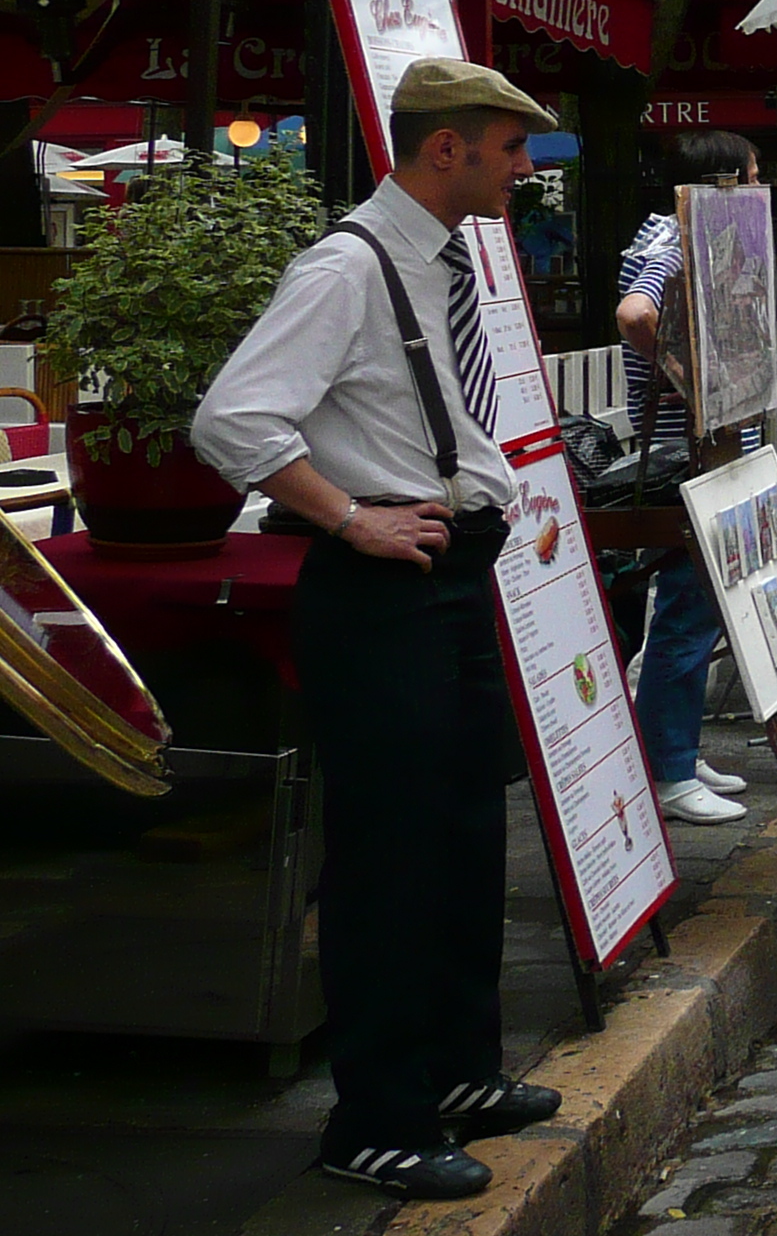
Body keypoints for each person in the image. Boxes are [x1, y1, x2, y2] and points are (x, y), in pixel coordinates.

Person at [192, 61, 568, 1199]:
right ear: (444, 147)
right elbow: (233, 417)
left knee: (460, 835)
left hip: (452, 574)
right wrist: (347, 513)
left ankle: (456, 1069)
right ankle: (375, 1118)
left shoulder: (443, 260)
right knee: (389, 859)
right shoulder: (348, 264)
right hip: (384, 593)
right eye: (510, 146)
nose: (525, 167)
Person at [615, 128, 765, 826]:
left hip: (713, 455)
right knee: (685, 613)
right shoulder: (672, 244)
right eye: (755, 174)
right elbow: (636, 314)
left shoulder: (696, 240)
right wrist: (691, 376)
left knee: (698, 616)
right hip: (691, 459)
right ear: (728, 181)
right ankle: (667, 772)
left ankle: (674, 748)